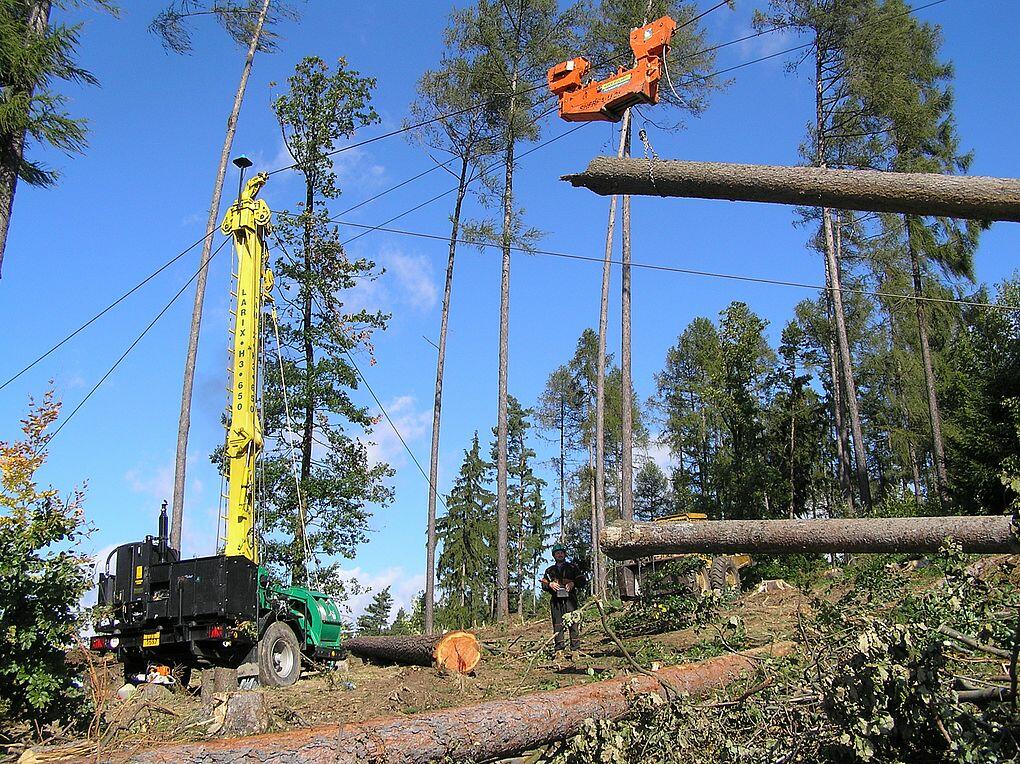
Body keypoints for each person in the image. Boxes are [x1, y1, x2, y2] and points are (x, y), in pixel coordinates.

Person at [540, 543, 584, 657]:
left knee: (573, 623)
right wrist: (550, 584)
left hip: (571, 599)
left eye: (561, 553)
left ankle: (575, 649)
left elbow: (582, 581)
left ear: (564, 554)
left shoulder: (573, 567)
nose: (559, 555)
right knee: (557, 624)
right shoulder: (549, 570)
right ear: (554, 556)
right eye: (557, 553)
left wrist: (573, 583)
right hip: (556, 601)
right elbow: (544, 585)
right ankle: (559, 650)